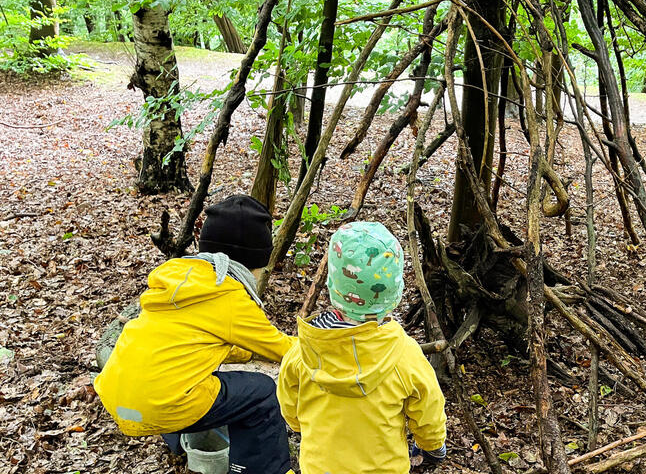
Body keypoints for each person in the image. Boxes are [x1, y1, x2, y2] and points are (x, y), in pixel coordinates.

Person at [94, 195, 296, 474]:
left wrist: (244, 353)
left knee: (184, 374)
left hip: (118, 398)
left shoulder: (177, 278)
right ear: (253, 262)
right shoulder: (228, 295)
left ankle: (180, 443)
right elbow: (284, 349)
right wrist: (327, 343)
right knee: (261, 393)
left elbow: (190, 340)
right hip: (161, 406)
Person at [277, 222, 448, 474]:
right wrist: (433, 446)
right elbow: (428, 411)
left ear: (333, 286)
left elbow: (290, 407)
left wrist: (301, 426)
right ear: (394, 293)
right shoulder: (405, 355)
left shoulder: (305, 350)